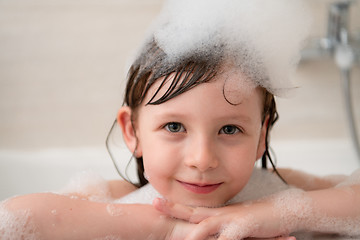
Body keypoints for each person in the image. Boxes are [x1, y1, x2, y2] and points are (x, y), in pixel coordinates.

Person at [2, 0, 360, 239]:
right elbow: (16, 219)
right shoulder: (121, 199)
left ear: (262, 136)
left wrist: (274, 214)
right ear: (133, 131)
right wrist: (168, 228)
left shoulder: (277, 189)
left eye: (230, 129)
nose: (202, 159)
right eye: (174, 127)